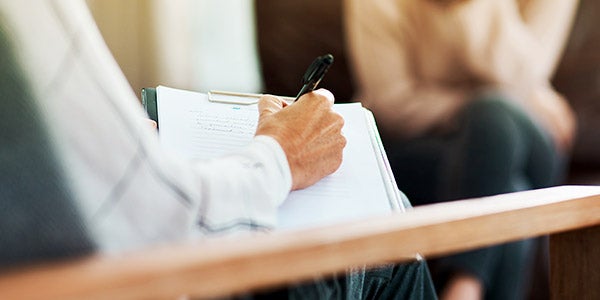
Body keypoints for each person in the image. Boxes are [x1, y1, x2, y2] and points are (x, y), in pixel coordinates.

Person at [0, 0, 437, 298]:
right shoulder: (22, 20)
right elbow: (166, 219)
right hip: (120, 275)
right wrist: (283, 153)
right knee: (393, 238)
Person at [344, 0, 579, 299]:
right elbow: (391, 104)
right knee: (508, 186)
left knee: (493, 121)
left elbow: (528, 76)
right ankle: (466, 283)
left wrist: (475, 5)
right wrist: (476, 109)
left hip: (525, 139)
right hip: (424, 147)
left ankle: (464, 280)